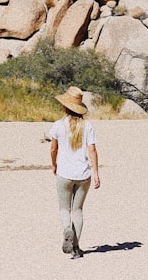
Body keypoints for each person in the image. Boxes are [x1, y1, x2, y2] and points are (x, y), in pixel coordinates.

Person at [49, 86, 100, 259]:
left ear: (65, 106)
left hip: (64, 173)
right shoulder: (88, 126)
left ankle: (66, 229)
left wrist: (54, 164)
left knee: (64, 208)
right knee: (77, 210)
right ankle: (76, 249)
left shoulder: (58, 126)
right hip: (83, 174)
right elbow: (92, 150)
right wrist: (96, 173)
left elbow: (53, 149)